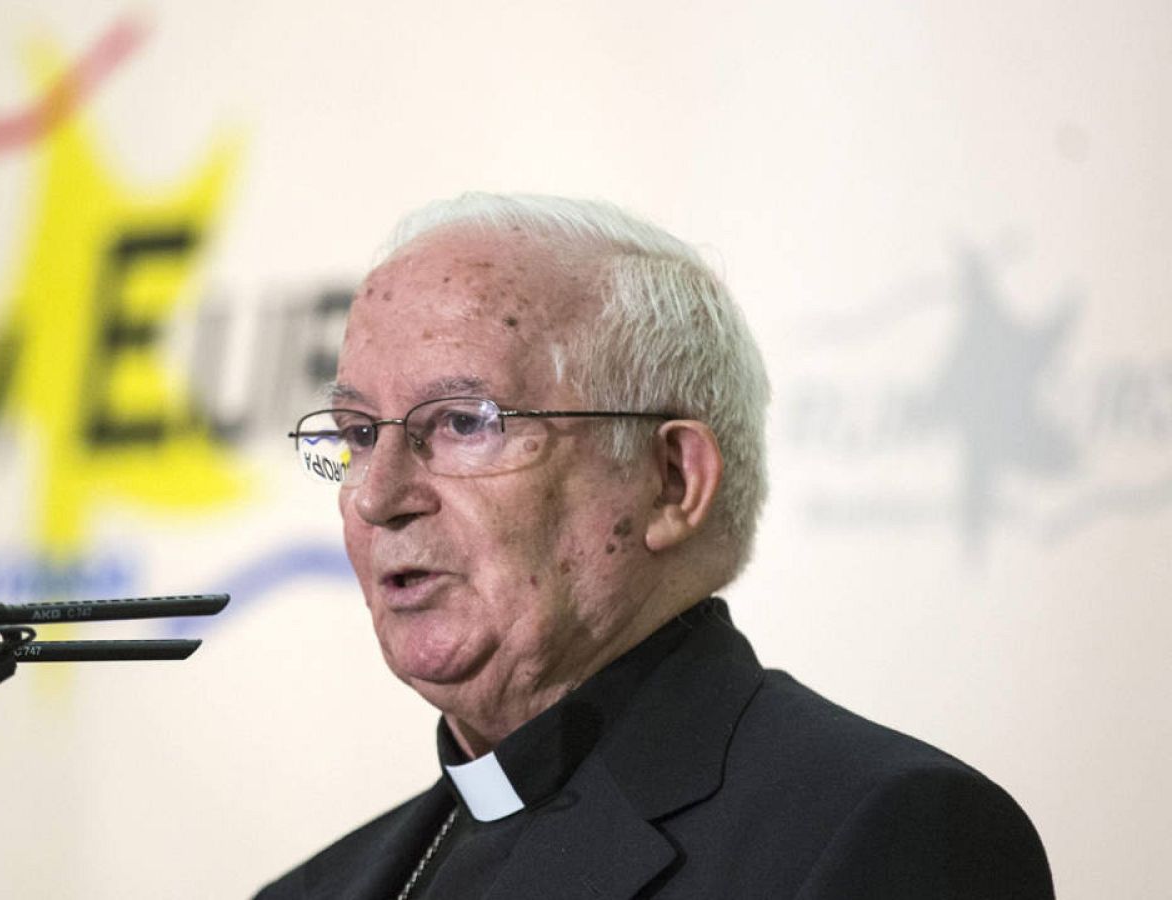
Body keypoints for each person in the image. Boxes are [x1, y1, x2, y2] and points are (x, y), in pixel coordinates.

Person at [259, 194, 1052, 899]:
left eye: (465, 423)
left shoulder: (886, 834)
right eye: (360, 434)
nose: (377, 496)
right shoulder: (318, 889)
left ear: (673, 480)